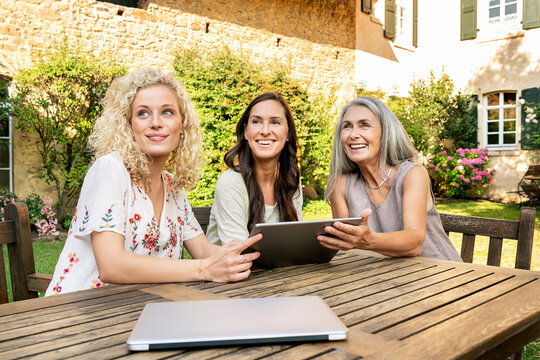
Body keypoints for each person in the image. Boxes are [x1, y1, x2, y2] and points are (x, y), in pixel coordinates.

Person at [45, 67, 261, 296]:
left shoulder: (172, 187)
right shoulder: (110, 169)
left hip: (137, 310)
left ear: (182, 127)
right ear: (128, 126)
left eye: (167, 112)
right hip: (78, 312)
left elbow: (204, 250)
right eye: (143, 113)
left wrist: (250, 254)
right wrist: (204, 270)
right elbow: (111, 266)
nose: (156, 122)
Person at [318, 96, 462, 261]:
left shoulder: (412, 174)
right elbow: (344, 244)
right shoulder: (339, 183)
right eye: (347, 126)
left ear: (385, 132)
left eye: (365, 125)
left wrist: (368, 240)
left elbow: (414, 243)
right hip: (383, 278)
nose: (353, 134)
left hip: (442, 273)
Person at [206, 92, 303, 245]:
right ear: (246, 131)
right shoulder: (231, 182)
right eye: (256, 122)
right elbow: (239, 253)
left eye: (275, 122)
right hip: (232, 267)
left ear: (288, 134)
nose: (265, 131)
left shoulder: (291, 179)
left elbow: (294, 242)